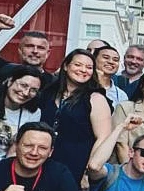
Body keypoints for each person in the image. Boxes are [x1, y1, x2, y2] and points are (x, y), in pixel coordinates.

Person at [36, 49, 114, 183]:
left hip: (74, 168)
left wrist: (86, 173)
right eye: (78, 65)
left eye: (89, 67)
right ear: (66, 66)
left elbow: (103, 138)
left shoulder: (96, 98)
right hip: (40, 163)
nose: (83, 70)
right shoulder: (49, 92)